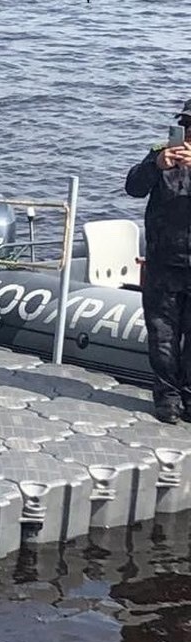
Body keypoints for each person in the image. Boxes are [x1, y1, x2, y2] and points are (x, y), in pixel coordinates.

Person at [126, 100, 191, 424]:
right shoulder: (160, 154)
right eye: (187, 126)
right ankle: (168, 399)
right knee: (162, 335)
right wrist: (156, 165)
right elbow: (133, 187)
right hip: (165, 262)